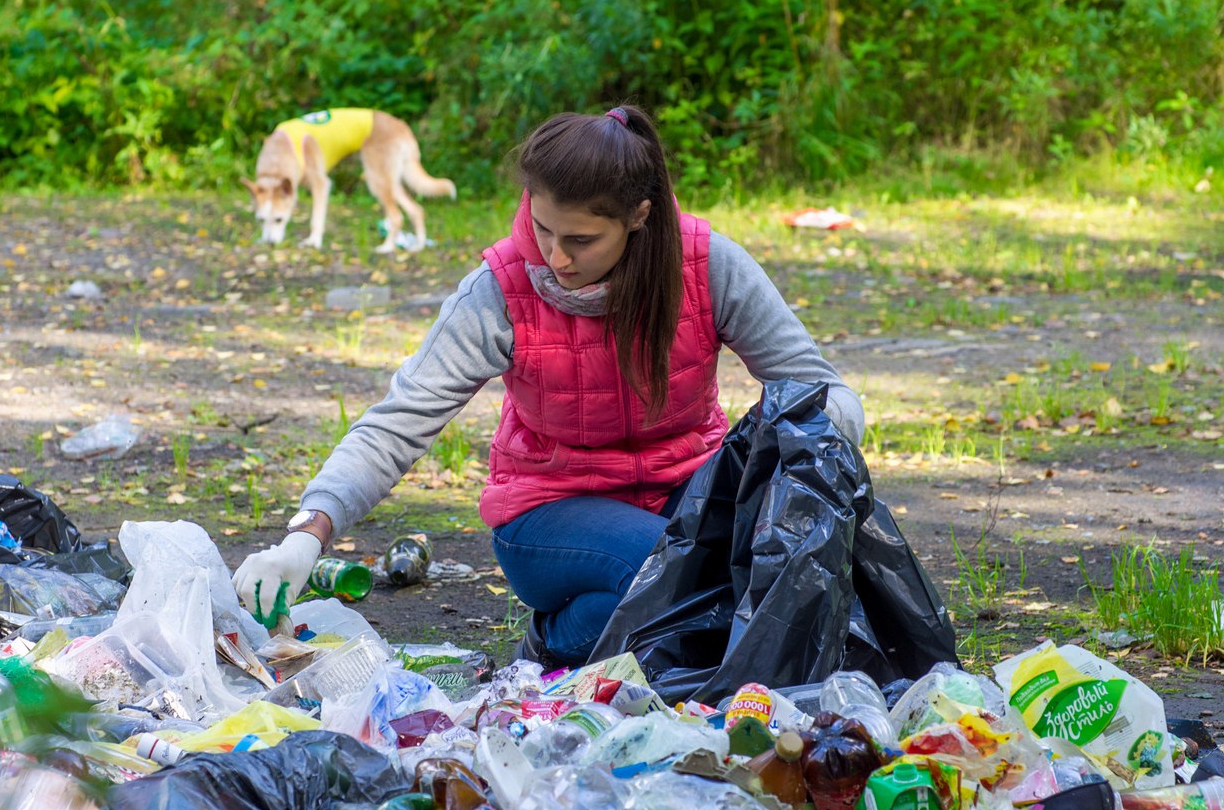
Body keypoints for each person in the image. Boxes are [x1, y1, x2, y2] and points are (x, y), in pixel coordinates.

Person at [233, 105, 864, 668]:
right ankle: (574, 635)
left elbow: (812, 386)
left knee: (742, 586)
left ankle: (572, 637)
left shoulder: (707, 264)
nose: (555, 257)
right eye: (542, 229)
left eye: (581, 240)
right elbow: (401, 418)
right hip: (549, 510)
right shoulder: (500, 289)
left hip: (688, 491)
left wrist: (835, 430)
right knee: (680, 579)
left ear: (640, 217)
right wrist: (305, 535)